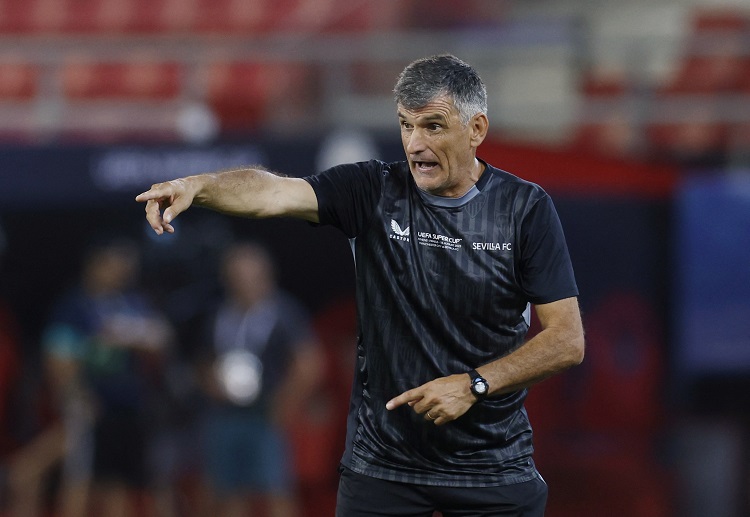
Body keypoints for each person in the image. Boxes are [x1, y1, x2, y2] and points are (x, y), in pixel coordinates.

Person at [136, 54, 585, 517]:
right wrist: (199, 185)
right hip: (383, 469)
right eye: (406, 125)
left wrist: (475, 384)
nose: (415, 143)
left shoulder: (524, 209)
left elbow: (567, 340)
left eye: (433, 126)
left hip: (492, 468)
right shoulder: (372, 190)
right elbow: (272, 192)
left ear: (476, 129)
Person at [41, 238, 173, 517]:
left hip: (129, 408)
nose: (121, 272)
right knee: (80, 479)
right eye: (114, 265)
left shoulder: (133, 302)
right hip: (91, 406)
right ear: (95, 265)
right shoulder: (74, 306)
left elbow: (162, 338)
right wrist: (75, 396)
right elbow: (58, 359)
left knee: (120, 483)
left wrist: (133, 338)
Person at [194, 241, 323, 517]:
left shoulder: (284, 312)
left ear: (266, 275)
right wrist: (210, 382)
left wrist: (286, 403)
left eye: (250, 275)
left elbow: (309, 363)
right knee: (228, 491)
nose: (244, 283)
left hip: (266, 412)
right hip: (225, 413)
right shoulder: (219, 313)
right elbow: (205, 360)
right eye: (236, 276)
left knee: (275, 488)